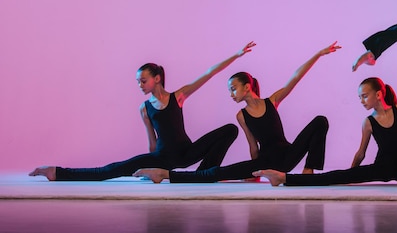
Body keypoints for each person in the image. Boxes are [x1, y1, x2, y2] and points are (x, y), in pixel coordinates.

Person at [28, 41, 256, 181]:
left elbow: (209, 73)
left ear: (156, 79)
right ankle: (57, 172)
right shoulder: (144, 109)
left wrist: (236, 54)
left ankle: (201, 176)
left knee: (229, 130)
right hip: (163, 157)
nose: (140, 84)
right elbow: (152, 144)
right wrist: (150, 163)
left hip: (187, 153)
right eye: (138, 81)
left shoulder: (178, 96)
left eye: (143, 80)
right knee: (112, 169)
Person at [254, 53, 397, 187]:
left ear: (379, 94)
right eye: (359, 97)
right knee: (334, 177)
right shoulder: (369, 122)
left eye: (364, 95)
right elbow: (361, 152)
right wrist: (351, 173)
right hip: (382, 168)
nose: (361, 100)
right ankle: (283, 178)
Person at [133, 42, 341, 183]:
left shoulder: (273, 101)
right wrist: (254, 173)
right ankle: (166, 174)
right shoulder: (241, 116)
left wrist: (318, 55)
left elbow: (295, 77)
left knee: (320, 121)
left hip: (288, 155)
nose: (231, 94)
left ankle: (308, 171)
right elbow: (253, 147)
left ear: (247, 87)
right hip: (265, 161)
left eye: (233, 88)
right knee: (219, 172)